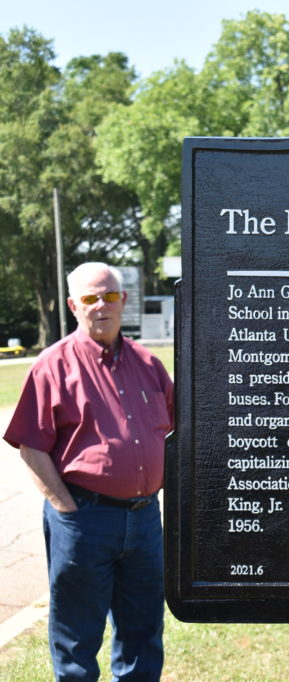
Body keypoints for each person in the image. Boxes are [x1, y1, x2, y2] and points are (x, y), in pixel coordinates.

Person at [4, 262, 173, 681]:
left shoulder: (148, 363)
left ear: (124, 300)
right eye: (90, 298)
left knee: (143, 632)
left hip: (145, 519)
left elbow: (177, 432)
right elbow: (31, 447)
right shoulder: (53, 365)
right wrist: (67, 510)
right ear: (73, 306)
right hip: (83, 519)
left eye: (110, 296)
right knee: (77, 638)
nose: (102, 305)